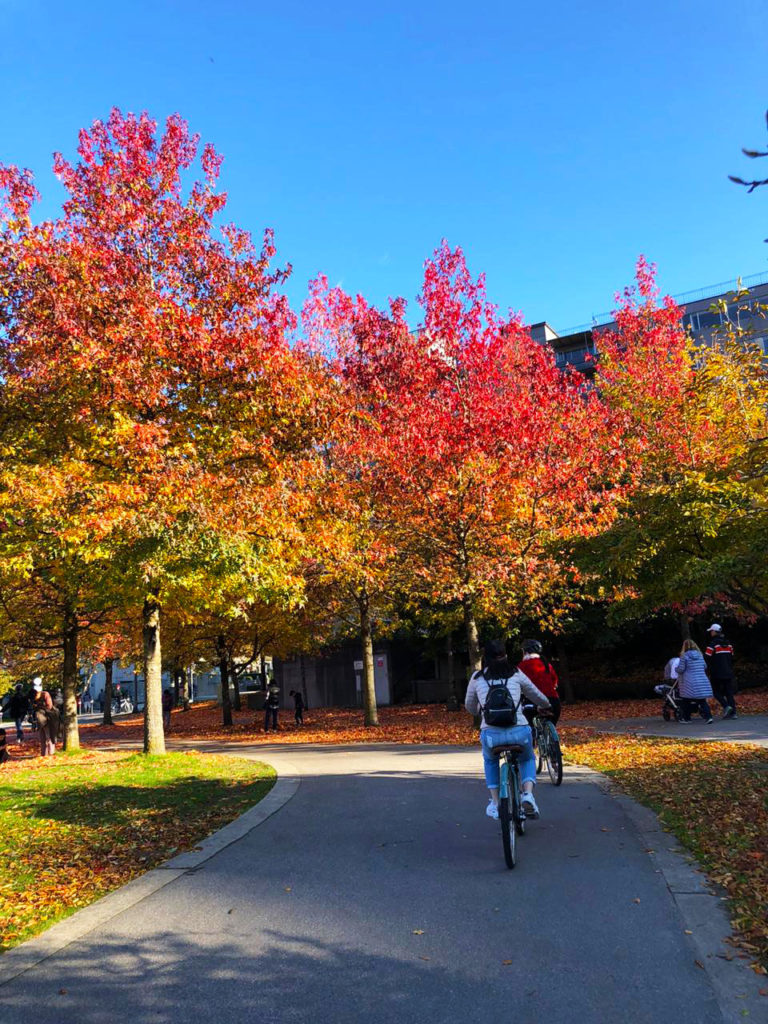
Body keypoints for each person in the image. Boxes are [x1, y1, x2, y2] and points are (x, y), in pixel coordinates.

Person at [464, 638, 551, 821]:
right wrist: (546, 704)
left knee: (490, 761)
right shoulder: (516, 673)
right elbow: (535, 694)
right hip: (519, 731)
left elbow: (469, 705)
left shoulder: (477, 678)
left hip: (491, 735)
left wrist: (480, 712)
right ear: (505, 655)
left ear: (485, 657)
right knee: (527, 758)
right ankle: (527, 794)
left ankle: (495, 803)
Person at [517, 639, 561, 726]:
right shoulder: (546, 664)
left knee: (529, 726)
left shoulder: (521, 666)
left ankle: (533, 736)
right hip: (554, 702)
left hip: (533, 701)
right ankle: (550, 735)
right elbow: (555, 683)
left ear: (525, 651)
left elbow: (518, 684)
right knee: (551, 723)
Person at [675, 640, 714, 723]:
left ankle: (686, 718)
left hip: (690, 682)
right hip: (702, 680)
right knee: (702, 700)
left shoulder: (684, 656)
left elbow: (681, 669)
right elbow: (705, 666)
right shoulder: (700, 655)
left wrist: (676, 669)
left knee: (686, 700)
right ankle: (709, 717)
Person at [704, 624, 736, 719]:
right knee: (729, 693)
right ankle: (733, 713)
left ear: (714, 632)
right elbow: (732, 658)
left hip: (716, 673)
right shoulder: (729, 645)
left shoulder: (713, 645)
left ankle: (726, 706)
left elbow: (706, 657)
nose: (710, 632)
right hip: (729, 672)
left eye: (711, 631)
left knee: (715, 691)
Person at [31, 678, 58, 756]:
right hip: (47, 717)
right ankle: (51, 753)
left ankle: (44, 754)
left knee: (42, 737)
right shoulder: (45, 694)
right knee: (49, 736)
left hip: (38, 718)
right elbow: (49, 706)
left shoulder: (33, 696)